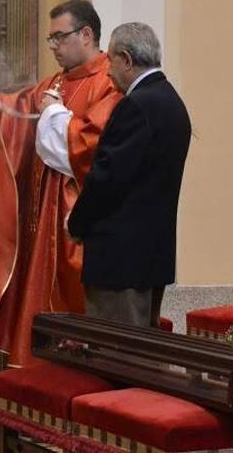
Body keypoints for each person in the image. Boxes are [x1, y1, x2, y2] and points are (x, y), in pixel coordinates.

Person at [0, 0, 121, 366]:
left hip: (75, 223)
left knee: (75, 318)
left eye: (60, 38)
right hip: (43, 217)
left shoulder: (110, 82)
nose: (55, 47)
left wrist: (54, 115)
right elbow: (12, 114)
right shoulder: (56, 82)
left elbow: (92, 148)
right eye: (51, 40)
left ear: (87, 34)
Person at [68, 22, 191, 327]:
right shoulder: (172, 102)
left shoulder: (136, 106)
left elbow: (107, 179)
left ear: (127, 59)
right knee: (142, 360)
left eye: (110, 60)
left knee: (115, 358)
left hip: (119, 264)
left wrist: (76, 222)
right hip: (151, 258)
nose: (107, 71)